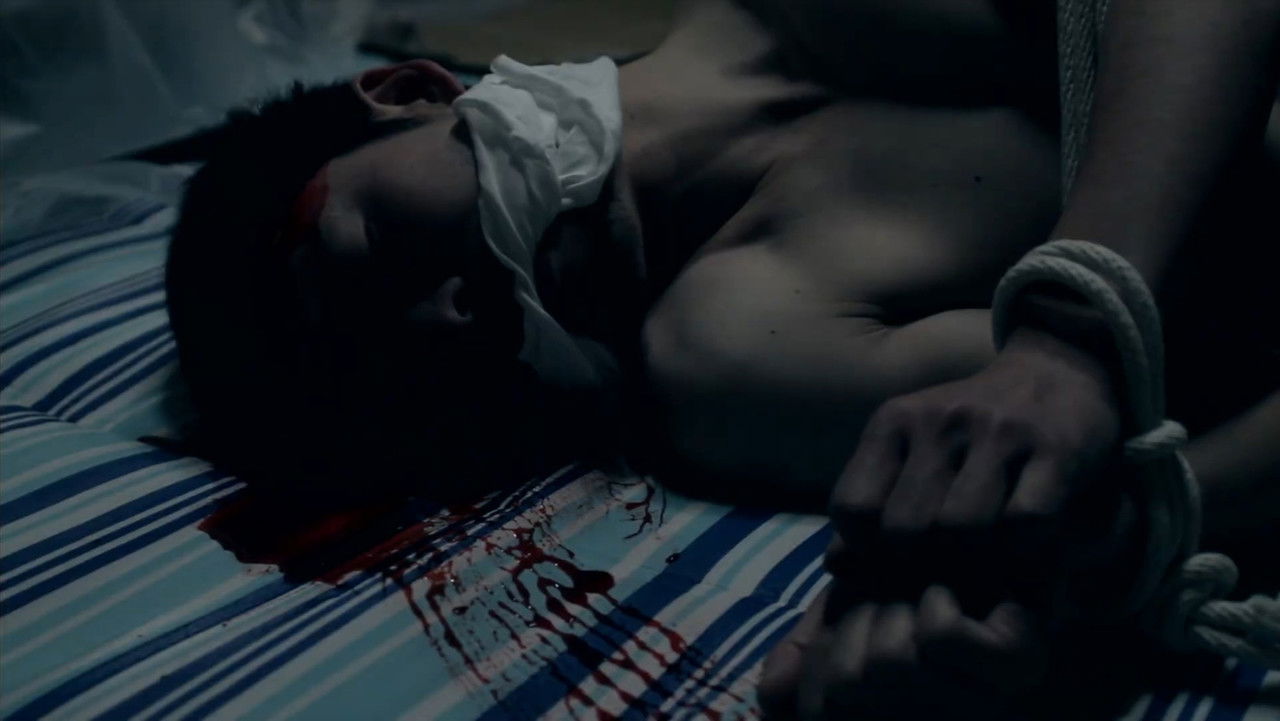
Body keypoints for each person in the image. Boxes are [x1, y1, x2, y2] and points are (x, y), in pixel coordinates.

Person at [165, 0, 1280, 717]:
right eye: (404, 376)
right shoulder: (736, 358)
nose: (452, 322)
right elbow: (1169, 439)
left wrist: (1071, 331)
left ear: (409, 91)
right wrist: (1093, 557)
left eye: (369, 253)